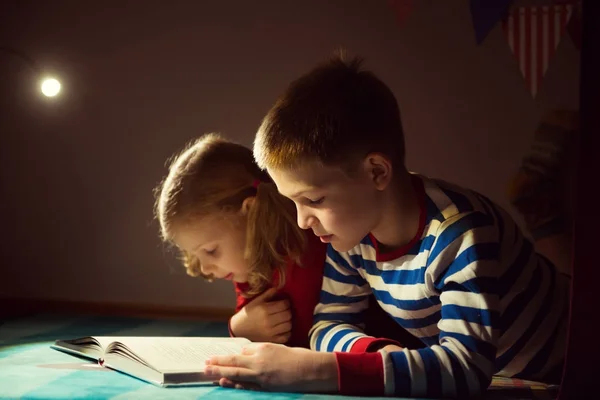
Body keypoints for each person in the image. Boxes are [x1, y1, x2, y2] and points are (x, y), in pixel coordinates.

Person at [204, 55, 574, 398]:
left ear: (377, 171)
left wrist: (316, 370)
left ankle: (540, 197)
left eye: (313, 200)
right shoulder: (350, 237)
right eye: (293, 203)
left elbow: (464, 370)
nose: (302, 221)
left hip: (568, 364)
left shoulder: (459, 235)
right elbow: (327, 324)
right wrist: (373, 352)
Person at [154, 133, 415, 348]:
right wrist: (240, 327)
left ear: (251, 212)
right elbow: (256, 324)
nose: (204, 269)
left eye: (210, 250)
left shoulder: (317, 237)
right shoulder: (247, 270)